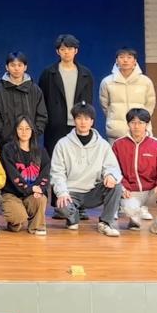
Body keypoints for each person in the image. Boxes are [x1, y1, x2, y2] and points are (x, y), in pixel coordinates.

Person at [50, 101, 123, 237]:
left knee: (116, 186)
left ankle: (105, 223)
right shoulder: (63, 144)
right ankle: (73, 218)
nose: (83, 122)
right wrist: (62, 193)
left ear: (92, 121)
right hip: (71, 193)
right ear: (74, 120)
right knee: (61, 207)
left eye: (86, 118)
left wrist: (110, 175)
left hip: (93, 192)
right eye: (79, 118)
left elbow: (113, 167)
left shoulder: (102, 145)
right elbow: (57, 173)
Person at [112, 108, 157, 237]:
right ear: (128, 124)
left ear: (147, 124)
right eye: (133, 122)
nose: (136, 126)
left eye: (141, 123)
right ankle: (134, 221)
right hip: (131, 191)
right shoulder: (118, 144)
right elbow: (113, 169)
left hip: (152, 191)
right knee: (130, 209)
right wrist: (123, 187)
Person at [38, 34, 95, 155]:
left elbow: (89, 101)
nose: (66, 52)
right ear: (57, 52)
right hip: (55, 125)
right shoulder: (48, 73)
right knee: (55, 157)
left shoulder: (85, 74)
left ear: (76, 51)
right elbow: (41, 101)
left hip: (79, 124)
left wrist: (88, 121)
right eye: (63, 49)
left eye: (70, 49)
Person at [1, 116, 50, 235]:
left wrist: (38, 188)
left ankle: (36, 226)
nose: (24, 132)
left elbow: (45, 174)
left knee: (40, 199)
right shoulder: (8, 149)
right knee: (19, 218)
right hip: (12, 193)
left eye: (27, 128)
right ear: (16, 130)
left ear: (32, 130)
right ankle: (15, 222)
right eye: (20, 128)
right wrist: (29, 188)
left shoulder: (40, 151)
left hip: (32, 193)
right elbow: (12, 175)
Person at [0, 51, 48, 148]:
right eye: (12, 65)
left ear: (25, 67)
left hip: (30, 143)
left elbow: (42, 115)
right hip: (4, 143)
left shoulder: (35, 90)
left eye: (20, 65)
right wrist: (3, 133)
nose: (16, 68)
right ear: (7, 67)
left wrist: (35, 133)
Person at [100, 48, 157, 143]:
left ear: (135, 61)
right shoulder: (107, 82)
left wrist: (140, 121)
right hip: (116, 132)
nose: (125, 60)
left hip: (141, 132)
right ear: (116, 61)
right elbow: (105, 106)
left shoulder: (146, 82)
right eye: (121, 57)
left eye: (129, 57)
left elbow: (150, 105)